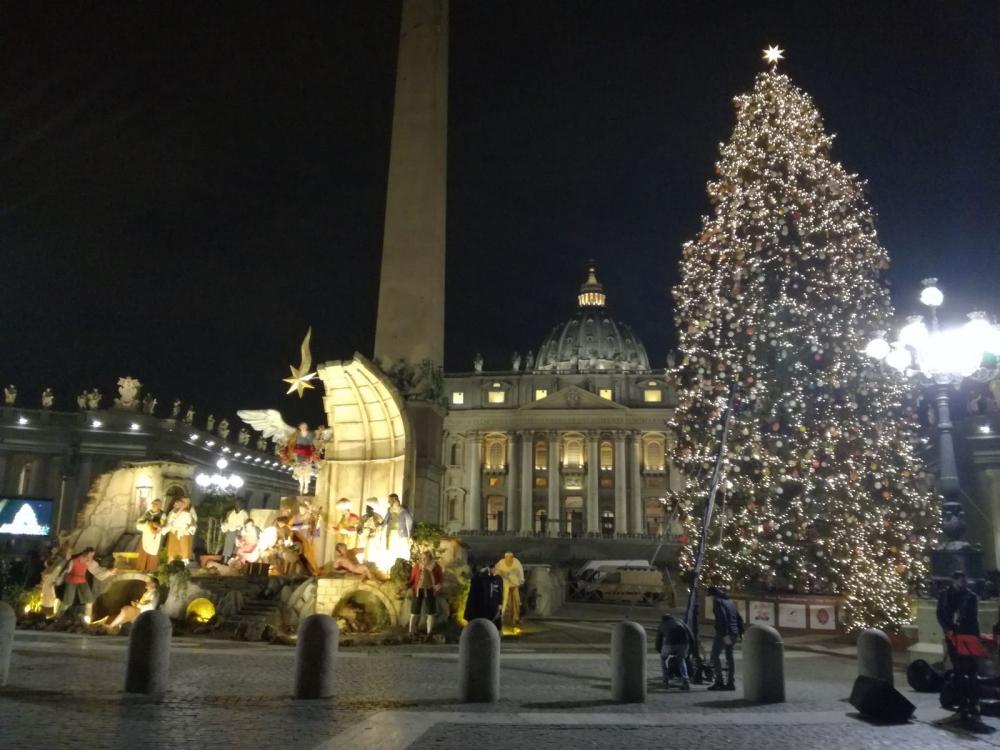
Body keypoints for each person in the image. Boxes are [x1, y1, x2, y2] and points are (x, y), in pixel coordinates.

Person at [937, 570, 981, 710]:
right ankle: (961, 699)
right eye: (961, 581)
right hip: (952, 636)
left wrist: (975, 636)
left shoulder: (970, 596)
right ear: (954, 580)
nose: (963, 584)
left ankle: (973, 700)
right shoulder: (944, 595)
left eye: (964, 581)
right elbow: (940, 613)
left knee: (972, 670)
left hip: (967, 635)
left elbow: (973, 618)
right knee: (958, 669)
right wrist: (947, 629)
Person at [59, 547, 115, 622]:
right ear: (85, 554)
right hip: (72, 581)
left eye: (92, 556)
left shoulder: (89, 562)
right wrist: (61, 578)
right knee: (67, 602)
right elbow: (66, 572)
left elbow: (97, 570)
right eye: (90, 555)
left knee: (89, 601)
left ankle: (87, 619)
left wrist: (109, 572)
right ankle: (58, 616)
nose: (91, 557)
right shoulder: (73, 561)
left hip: (82, 581)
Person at [707, 585, 741, 691]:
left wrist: (724, 633)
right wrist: (740, 632)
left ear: (712, 595)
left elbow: (722, 618)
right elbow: (738, 618)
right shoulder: (729, 602)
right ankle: (731, 682)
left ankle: (719, 681)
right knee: (729, 656)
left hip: (724, 633)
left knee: (715, 655)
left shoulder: (718, 602)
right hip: (734, 633)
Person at [655, 613, 695, 690]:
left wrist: (660, 650)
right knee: (681, 660)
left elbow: (658, 640)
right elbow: (690, 634)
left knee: (663, 659)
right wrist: (691, 647)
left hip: (670, 644)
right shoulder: (680, 621)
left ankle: (665, 681)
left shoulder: (662, 625)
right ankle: (685, 681)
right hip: (684, 643)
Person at [408, 550, 443, 637]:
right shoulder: (417, 567)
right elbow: (412, 579)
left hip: (430, 590)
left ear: (430, 558)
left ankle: (429, 633)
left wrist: (438, 586)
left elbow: (440, 579)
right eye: (422, 558)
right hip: (418, 590)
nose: (423, 560)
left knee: (430, 613)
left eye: (425, 558)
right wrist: (407, 586)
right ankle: (411, 632)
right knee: (414, 612)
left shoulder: (435, 567)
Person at [464, 563, 503, 630]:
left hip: (492, 604)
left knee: (492, 620)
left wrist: (500, 604)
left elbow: (499, 591)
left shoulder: (497, 579)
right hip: (483, 605)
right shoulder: (480, 579)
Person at [494, 551, 525, 627]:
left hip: (514, 584)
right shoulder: (501, 562)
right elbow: (495, 570)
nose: (507, 560)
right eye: (506, 558)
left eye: (509, 558)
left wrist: (521, 581)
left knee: (516, 600)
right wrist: (501, 573)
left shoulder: (516, 563)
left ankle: (516, 617)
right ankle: (503, 617)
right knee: (505, 600)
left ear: (512, 558)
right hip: (506, 583)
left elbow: (521, 573)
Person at [135, 499, 165, 572]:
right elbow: (139, 522)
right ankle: (141, 568)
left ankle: (150, 569)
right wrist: (147, 524)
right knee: (143, 551)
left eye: (156, 504)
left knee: (152, 553)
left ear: (160, 506)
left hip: (154, 537)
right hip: (146, 536)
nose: (154, 505)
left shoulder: (162, 515)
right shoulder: (147, 513)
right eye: (153, 504)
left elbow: (163, 525)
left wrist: (158, 526)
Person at [382, 494, 413, 564]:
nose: (388, 502)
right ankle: (392, 566)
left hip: (401, 535)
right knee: (391, 551)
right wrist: (380, 526)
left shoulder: (404, 511)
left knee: (400, 551)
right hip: (391, 534)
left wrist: (410, 535)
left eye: (389, 500)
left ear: (394, 500)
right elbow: (385, 520)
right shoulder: (389, 510)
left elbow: (409, 522)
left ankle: (400, 566)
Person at [165, 497, 197, 563]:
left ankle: (183, 569)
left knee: (184, 554)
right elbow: (169, 520)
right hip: (174, 533)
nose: (184, 504)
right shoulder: (174, 511)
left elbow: (193, 523)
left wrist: (189, 527)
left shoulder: (190, 512)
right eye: (183, 502)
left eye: (187, 502)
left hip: (184, 534)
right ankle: (169, 568)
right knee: (172, 553)